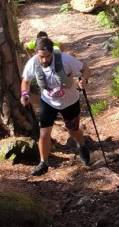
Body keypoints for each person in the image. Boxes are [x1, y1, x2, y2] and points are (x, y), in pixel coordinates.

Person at [21, 37, 91, 176]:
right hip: (48, 102)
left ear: (52, 52)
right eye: (41, 56)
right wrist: (24, 94)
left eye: (47, 56)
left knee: (73, 131)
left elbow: (85, 69)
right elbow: (25, 81)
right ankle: (43, 163)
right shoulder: (33, 63)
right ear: (36, 53)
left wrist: (84, 80)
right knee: (43, 135)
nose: (44, 60)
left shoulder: (65, 59)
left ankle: (82, 145)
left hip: (70, 102)